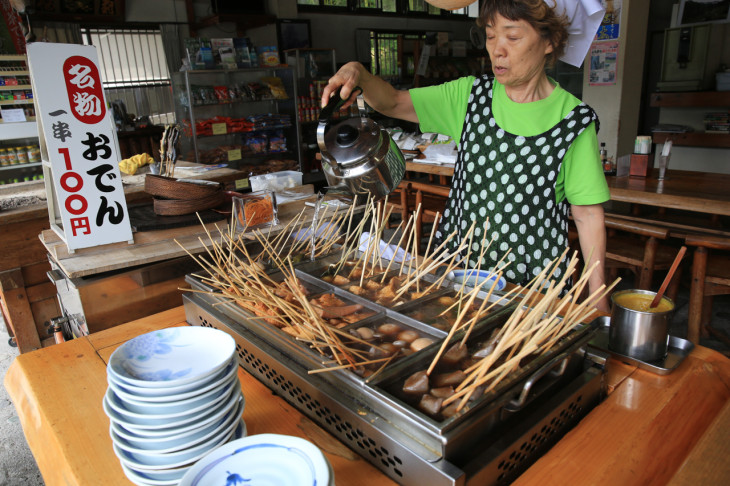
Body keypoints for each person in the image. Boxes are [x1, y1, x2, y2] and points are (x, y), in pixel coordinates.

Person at [321, 0, 610, 311]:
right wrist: (360, 74)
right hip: (460, 276)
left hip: (534, 287)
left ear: (550, 42)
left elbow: (587, 215)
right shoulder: (470, 97)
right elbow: (392, 102)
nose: (498, 50)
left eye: (512, 37)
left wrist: (597, 298)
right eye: (490, 36)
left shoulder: (573, 121)